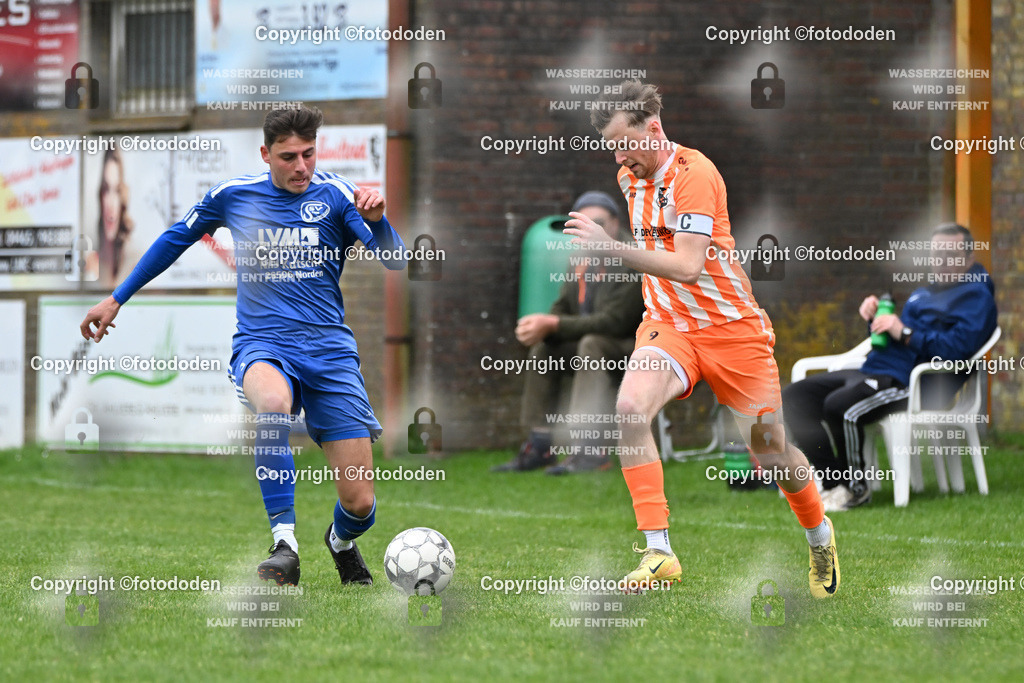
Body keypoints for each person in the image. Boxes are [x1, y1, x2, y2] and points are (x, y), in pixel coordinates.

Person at [79, 106, 406, 587]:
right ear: (265, 154)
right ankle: (284, 544)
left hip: (331, 353)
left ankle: (339, 541)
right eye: (288, 156)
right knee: (273, 404)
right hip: (263, 344)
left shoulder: (337, 196)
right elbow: (175, 239)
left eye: (308, 154)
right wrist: (116, 298)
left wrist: (378, 223)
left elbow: (395, 260)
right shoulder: (234, 196)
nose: (301, 166)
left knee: (360, 504)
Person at [564, 80, 839, 597]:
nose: (622, 157)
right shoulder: (629, 176)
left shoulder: (696, 175)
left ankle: (820, 535)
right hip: (669, 328)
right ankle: (658, 550)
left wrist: (611, 249)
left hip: (733, 333)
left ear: (655, 127)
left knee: (771, 453)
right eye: (612, 147)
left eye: (627, 142)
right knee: (630, 410)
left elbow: (689, 267)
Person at [783, 224, 997, 511]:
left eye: (951, 254)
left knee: (840, 406)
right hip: (877, 369)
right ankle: (832, 482)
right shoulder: (924, 293)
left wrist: (904, 332)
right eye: (936, 253)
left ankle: (855, 490)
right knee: (794, 397)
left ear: (969, 259)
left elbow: (957, 350)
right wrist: (874, 321)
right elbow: (895, 338)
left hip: (915, 383)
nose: (941, 261)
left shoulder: (977, 298)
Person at [494, 191, 645, 474]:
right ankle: (541, 444)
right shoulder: (580, 258)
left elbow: (616, 322)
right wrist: (541, 326)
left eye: (598, 223)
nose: (591, 231)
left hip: (636, 349)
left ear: (615, 223)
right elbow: (562, 306)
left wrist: (554, 325)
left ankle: (589, 450)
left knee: (591, 344)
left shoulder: (630, 257)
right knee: (545, 347)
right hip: (596, 344)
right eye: (582, 225)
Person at [95, 146, 134, 287]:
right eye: (106, 190)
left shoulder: (136, 263)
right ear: (100, 195)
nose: (111, 204)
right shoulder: (88, 265)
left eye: (117, 191)